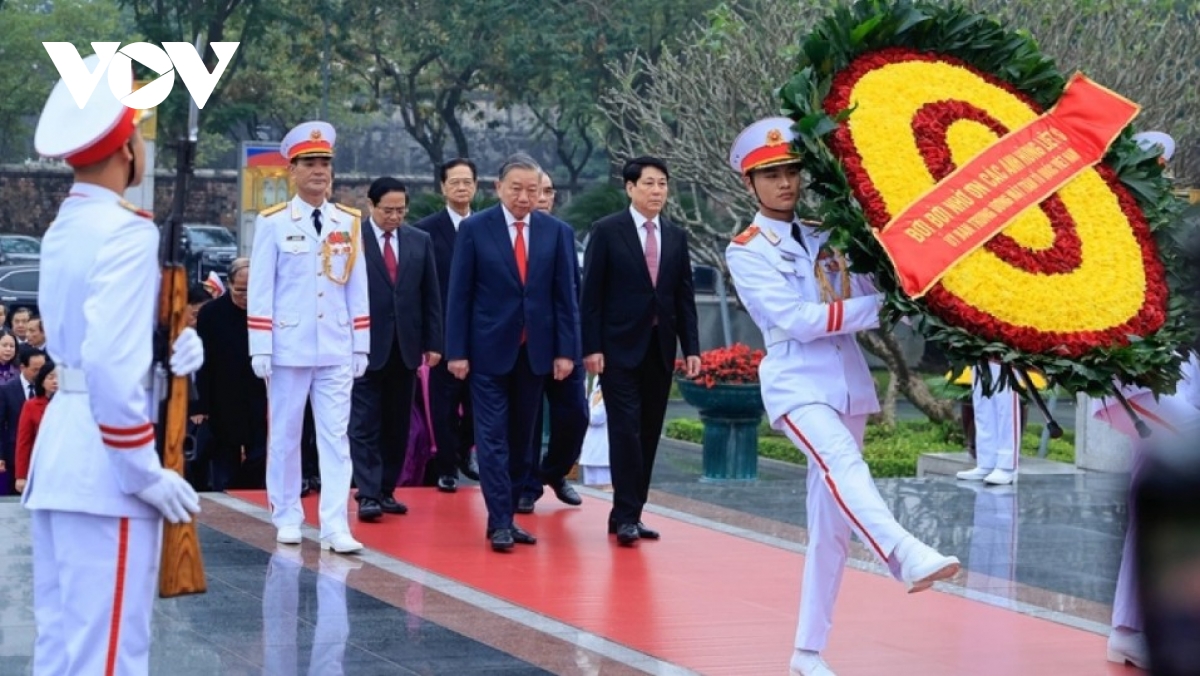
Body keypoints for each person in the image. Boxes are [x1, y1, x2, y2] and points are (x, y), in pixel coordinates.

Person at [723, 117, 961, 676]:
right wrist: (880, 307)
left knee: (830, 525)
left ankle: (807, 652)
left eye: (791, 171)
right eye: (771, 175)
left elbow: (880, 286)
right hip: (796, 382)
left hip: (847, 383)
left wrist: (924, 295)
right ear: (750, 183)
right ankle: (903, 553)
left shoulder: (826, 233)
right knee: (843, 463)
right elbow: (797, 319)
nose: (785, 182)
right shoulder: (746, 250)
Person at [23, 56, 204, 675]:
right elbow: (106, 361)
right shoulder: (127, 233)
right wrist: (143, 472)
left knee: (61, 651)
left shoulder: (66, 225)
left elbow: (87, 342)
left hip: (63, 454)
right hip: (107, 470)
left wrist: (168, 353)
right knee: (108, 659)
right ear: (128, 147)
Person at [445, 153, 580, 551]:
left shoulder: (556, 232)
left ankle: (509, 513)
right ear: (498, 188)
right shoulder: (475, 229)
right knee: (492, 438)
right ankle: (500, 520)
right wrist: (456, 351)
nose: (524, 197)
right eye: (516, 189)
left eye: (532, 190)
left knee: (523, 439)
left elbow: (565, 298)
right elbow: (459, 294)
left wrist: (566, 351)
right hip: (487, 351)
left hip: (535, 352)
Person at [248, 120, 370, 554]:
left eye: (325, 163)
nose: (319, 171)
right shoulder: (274, 223)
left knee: (336, 438)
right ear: (292, 170)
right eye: (310, 163)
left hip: (335, 345)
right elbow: (261, 287)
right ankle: (286, 514)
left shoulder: (347, 221)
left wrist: (361, 342)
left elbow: (356, 285)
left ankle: (335, 525)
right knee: (285, 435)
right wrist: (261, 345)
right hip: (288, 346)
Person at [580, 156, 701, 546]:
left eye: (662, 183)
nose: (657, 191)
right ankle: (626, 514)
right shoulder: (606, 231)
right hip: (617, 350)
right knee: (625, 432)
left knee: (648, 433)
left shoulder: (676, 236)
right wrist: (591, 347)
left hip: (659, 349)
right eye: (649, 183)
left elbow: (683, 297)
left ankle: (629, 513)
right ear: (630, 187)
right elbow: (591, 295)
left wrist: (692, 347)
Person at [349, 177, 443, 521]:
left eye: (400, 210)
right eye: (387, 210)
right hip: (363, 347)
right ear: (371, 206)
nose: (394, 217)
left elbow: (430, 296)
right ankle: (367, 492)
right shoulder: (352, 239)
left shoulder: (419, 240)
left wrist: (434, 343)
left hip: (406, 346)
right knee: (364, 423)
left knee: (397, 423)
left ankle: (387, 488)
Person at [517, 170, 586, 512]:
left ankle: (554, 471)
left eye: (547, 191)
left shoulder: (561, 234)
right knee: (526, 422)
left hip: (563, 345)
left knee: (575, 415)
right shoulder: (505, 234)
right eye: (536, 191)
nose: (542, 198)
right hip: (522, 346)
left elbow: (572, 294)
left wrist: (572, 347)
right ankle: (527, 486)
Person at [413, 158, 480, 491]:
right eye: (455, 182)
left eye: (467, 182)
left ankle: (466, 450)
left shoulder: (486, 226)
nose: (461, 188)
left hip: (481, 331)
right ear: (442, 187)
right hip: (442, 332)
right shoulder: (425, 230)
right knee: (443, 404)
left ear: (476, 186)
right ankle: (447, 467)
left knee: (478, 403)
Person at [194, 258, 268, 490]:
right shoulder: (210, 313)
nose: (246, 296)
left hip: (259, 396)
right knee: (224, 462)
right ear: (229, 284)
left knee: (259, 456)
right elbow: (202, 361)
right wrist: (200, 405)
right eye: (240, 290)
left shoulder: (267, 310)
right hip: (222, 397)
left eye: (251, 290)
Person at [955, 363, 1021, 485]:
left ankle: (1007, 467)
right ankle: (986, 463)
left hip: (1005, 358)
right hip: (983, 357)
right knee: (983, 405)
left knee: (1005, 405)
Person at [15, 359, 57, 494]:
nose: (55, 381)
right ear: (42, 381)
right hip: (40, 465)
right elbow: (24, 442)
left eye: (59, 377)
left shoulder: (71, 405)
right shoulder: (31, 406)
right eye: (51, 377)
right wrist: (21, 476)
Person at [578, 380, 611, 488]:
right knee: (589, 489)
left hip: (603, 454)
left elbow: (597, 418)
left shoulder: (609, 393)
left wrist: (582, 413)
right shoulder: (595, 393)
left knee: (603, 490)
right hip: (590, 452)